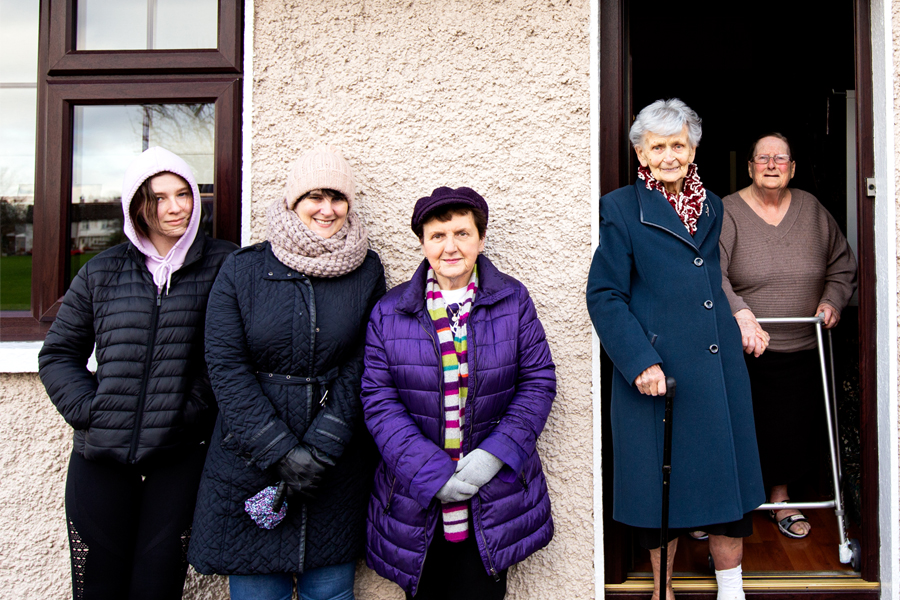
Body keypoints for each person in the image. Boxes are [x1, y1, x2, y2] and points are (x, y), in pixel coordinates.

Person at [38, 146, 238, 599]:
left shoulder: (226, 266)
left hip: (177, 458)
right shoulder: (101, 272)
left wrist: (187, 413)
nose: (175, 207)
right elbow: (59, 354)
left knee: (157, 587)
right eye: (159, 197)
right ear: (137, 206)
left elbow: (232, 357)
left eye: (183, 194)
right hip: (99, 458)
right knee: (96, 588)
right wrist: (91, 412)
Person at [187, 146, 385, 600]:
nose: (327, 209)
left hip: (331, 468)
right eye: (315, 196)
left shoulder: (366, 270)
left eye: (337, 197)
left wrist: (320, 449)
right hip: (250, 462)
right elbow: (226, 366)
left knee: (330, 592)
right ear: (294, 202)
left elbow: (365, 361)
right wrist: (279, 451)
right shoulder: (243, 270)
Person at [586, 99, 764, 600]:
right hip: (659, 373)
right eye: (658, 146)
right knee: (658, 496)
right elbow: (604, 294)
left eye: (679, 145)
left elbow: (711, 278)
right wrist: (640, 360)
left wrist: (740, 313)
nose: (670, 156)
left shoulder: (712, 205)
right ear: (641, 154)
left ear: (693, 150)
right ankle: (662, 592)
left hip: (717, 367)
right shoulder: (620, 208)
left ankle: (732, 590)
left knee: (726, 487)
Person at [361, 186, 556, 600]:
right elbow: (379, 401)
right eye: (438, 235)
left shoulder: (513, 300)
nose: (450, 247)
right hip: (415, 500)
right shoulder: (389, 311)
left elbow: (538, 381)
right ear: (423, 243)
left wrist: (494, 456)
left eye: (462, 234)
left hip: (493, 497)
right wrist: (431, 474)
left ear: (480, 239)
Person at [719, 133, 857, 540]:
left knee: (791, 430)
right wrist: (741, 314)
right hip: (745, 346)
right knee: (739, 430)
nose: (772, 164)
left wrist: (832, 301)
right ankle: (723, 508)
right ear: (750, 167)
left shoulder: (812, 210)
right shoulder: (727, 212)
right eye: (763, 158)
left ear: (792, 168)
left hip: (803, 344)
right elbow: (711, 272)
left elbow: (842, 264)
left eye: (780, 158)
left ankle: (780, 499)